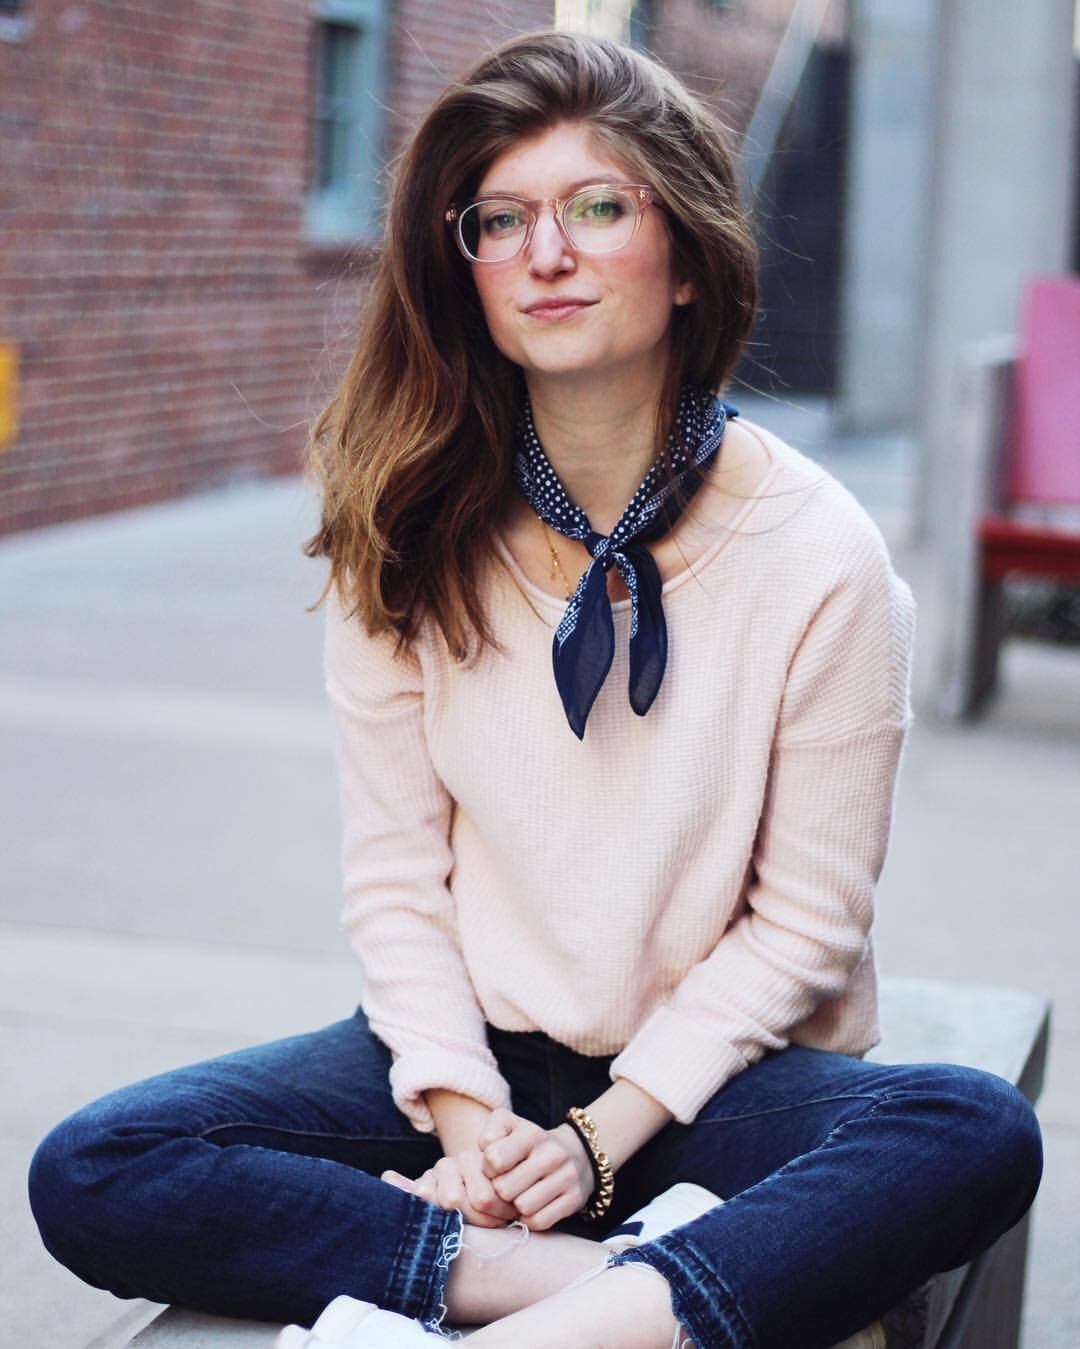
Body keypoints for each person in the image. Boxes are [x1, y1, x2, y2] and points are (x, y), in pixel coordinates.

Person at [28, 30, 1043, 1349]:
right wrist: (469, 1125)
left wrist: (603, 1140)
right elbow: (399, 886)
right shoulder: (411, 524)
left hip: (711, 1085)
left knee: (973, 1130)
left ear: (685, 255)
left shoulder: (819, 556)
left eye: (595, 208)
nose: (545, 254)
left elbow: (802, 930)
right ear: (468, 275)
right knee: (99, 1163)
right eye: (499, 222)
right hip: (480, 1056)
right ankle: (573, 1286)